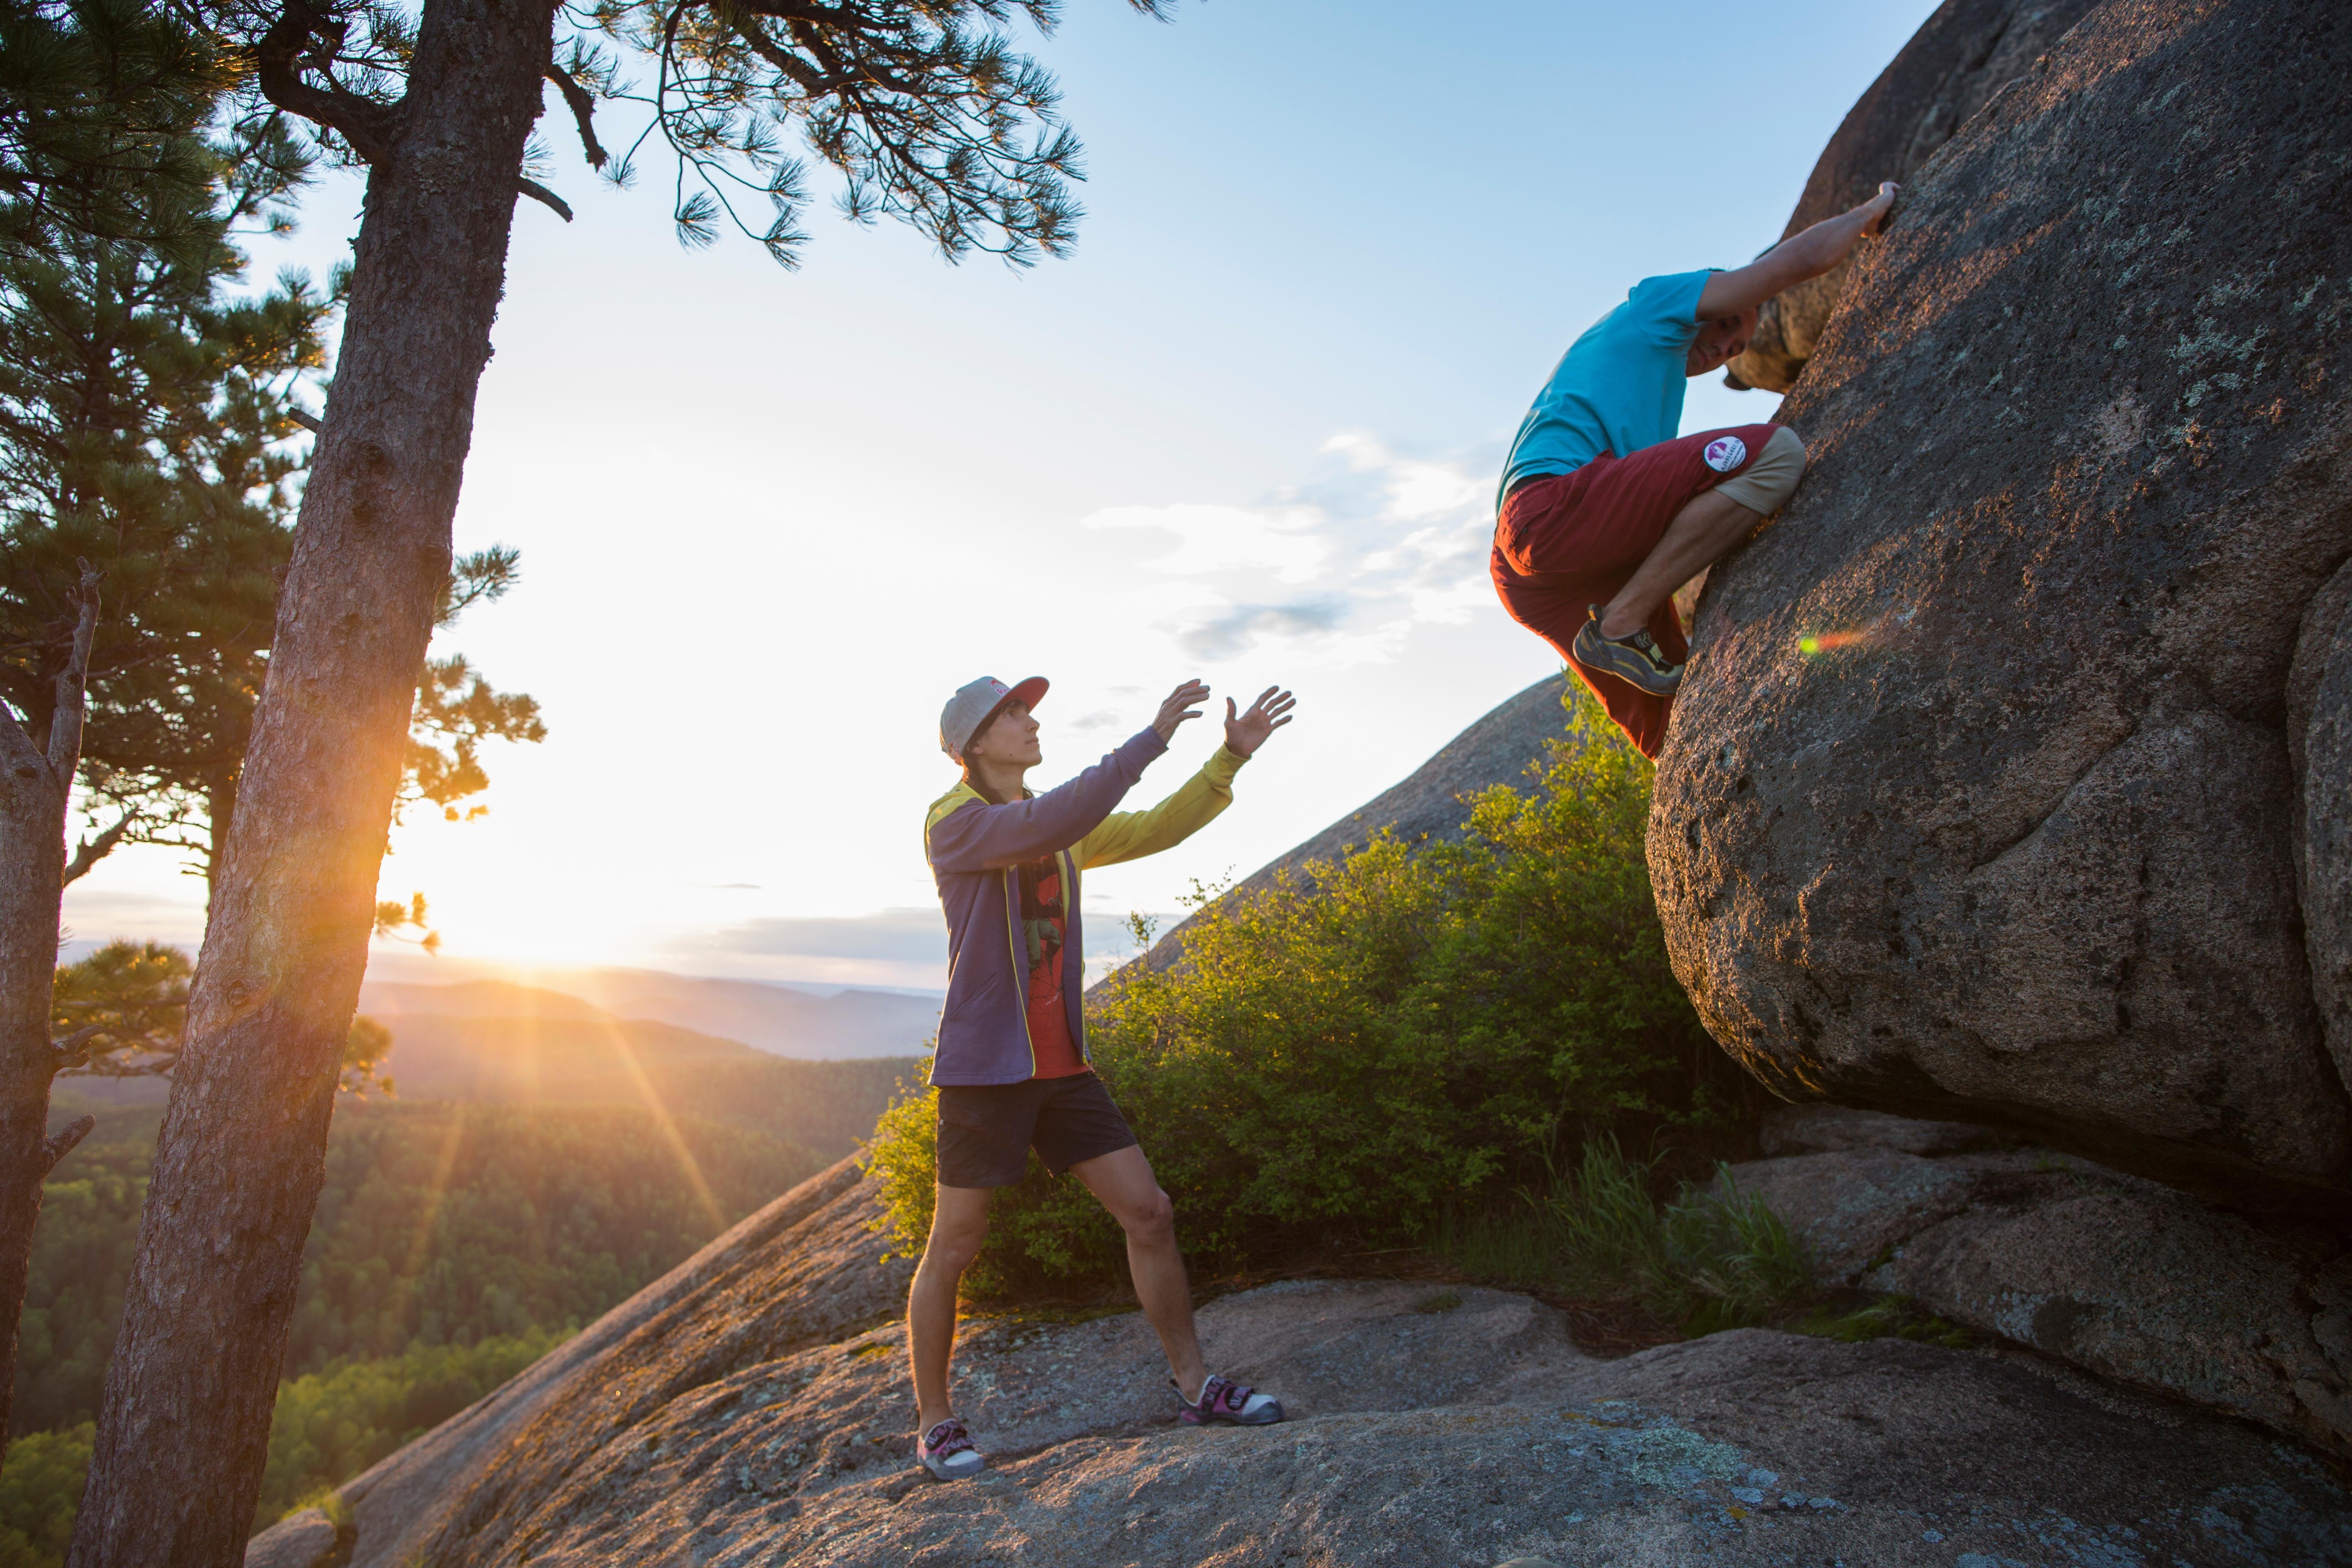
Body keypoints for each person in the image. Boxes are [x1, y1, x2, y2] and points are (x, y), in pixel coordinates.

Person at [910, 672, 1298, 1481]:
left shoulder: (1057, 825)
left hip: (1061, 1066)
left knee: (1149, 1213)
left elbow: (1157, 827)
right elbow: (1050, 818)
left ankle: (1196, 1387)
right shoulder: (955, 824)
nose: (1029, 720)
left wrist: (1227, 759)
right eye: (1012, 713)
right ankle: (937, 1424)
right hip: (988, 1071)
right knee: (956, 1244)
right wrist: (1152, 737)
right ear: (972, 744)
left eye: (1028, 709)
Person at [1490, 181, 1901, 757]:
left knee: (1675, 730)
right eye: (1728, 324)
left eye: (1738, 348)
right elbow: (1792, 263)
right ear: (1706, 303)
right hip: (1553, 509)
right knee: (1776, 453)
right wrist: (1872, 211)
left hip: (1532, 571)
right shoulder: (1656, 304)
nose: (1727, 347)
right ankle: (1621, 621)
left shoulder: (1646, 396)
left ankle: (1623, 639)